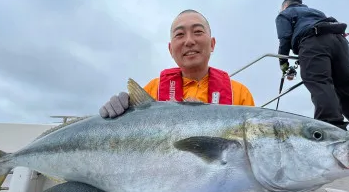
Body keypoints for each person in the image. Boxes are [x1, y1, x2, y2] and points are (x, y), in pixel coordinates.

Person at [99, 9, 255, 119]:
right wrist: (116, 114)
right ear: (170, 49)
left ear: (212, 44)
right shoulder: (152, 91)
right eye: (180, 35)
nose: (189, 41)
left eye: (198, 32)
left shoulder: (240, 95)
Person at [275, 0, 349, 150]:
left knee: (321, 84)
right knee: (347, 88)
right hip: (339, 41)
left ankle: (332, 135)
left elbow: (285, 38)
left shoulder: (285, 13)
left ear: (285, 5)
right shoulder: (316, 12)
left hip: (312, 42)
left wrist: (283, 62)